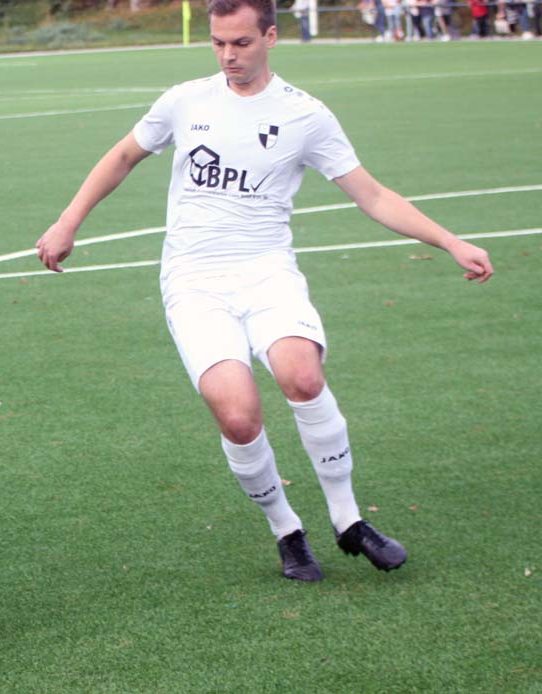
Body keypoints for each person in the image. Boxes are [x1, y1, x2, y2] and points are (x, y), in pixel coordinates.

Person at [36, 0, 493, 582]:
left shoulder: (306, 115)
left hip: (267, 271)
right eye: (219, 42)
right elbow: (124, 155)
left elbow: (372, 195)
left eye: (242, 43)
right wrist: (68, 221)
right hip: (194, 282)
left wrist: (450, 242)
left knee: (302, 375)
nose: (229, 55)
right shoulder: (185, 101)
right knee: (239, 416)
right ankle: (287, 531)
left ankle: (349, 519)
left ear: (270, 37)